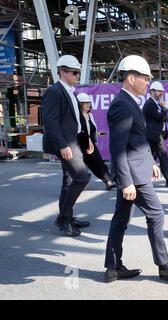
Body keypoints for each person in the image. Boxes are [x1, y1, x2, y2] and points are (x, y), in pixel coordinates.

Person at [104, 55, 168, 284]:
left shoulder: (131, 102)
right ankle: (164, 266)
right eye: (145, 78)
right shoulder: (122, 105)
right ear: (131, 78)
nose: (148, 83)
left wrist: (151, 162)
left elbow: (137, 140)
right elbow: (118, 148)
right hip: (133, 176)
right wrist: (127, 182)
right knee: (156, 214)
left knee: (120, 220)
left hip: (136, 171)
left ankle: (113, 268)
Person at [41, 54, 90, 237]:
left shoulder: (69, 90)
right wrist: (63, 145)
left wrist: (86, 140)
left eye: (78, 72)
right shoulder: (54, 91)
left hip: (73, 141)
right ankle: (63, 218)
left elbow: (75, 120)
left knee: (69, 180)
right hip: (65, 144)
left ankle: (68, 217)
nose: (77, 76)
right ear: (62, 72)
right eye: (74, 72)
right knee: (82, 177)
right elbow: (50, 122)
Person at [142, 81, 168, 189]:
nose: (161, 94)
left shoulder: (156, 104)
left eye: (162, 92)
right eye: (158, 92)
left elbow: (165, 118)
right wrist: (164, 109)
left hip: (157, 135)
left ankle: (142, 180)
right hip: (154, 136)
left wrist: (162, 111)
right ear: (152, 92)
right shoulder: (149, 104)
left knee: (149, 158)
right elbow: (160, 116)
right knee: (163, 156)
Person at [76, 92, 116, 191]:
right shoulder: (77, 117)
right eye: (86, 103)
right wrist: (88, 139)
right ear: (80, 104)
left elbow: (90, 130)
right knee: (80, 166)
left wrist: (97, 134)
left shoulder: (90, 115)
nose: (88, 105)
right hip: (80, 144)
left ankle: (108, 181)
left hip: (90, 144)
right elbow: (80, 131)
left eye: (89, 103)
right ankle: (82, 181)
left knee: (98, 162)